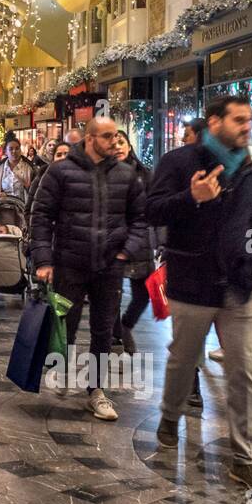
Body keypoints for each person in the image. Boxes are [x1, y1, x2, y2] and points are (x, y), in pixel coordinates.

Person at [147, 94, 252, 497]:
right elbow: (150, 211)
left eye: (249, 120)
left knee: (244, 371)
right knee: (184, 359)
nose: (246, 127)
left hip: (241, 287)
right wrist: (191, 198)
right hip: (192, 281)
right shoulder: (179, 162)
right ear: (214, 121)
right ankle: (170, 418)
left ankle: (247, 460)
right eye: (239, 119)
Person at [29, 116, 149, 421]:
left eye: (116, 137)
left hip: (110, 266)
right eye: (108, 137)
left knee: (104, 331)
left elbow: (140, 219)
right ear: (91, 138)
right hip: (69, 262)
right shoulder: (60, 172)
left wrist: (127, 251)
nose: (114, 142)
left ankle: (96, 391)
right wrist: (43, 260)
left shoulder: (125, 175)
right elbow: (41, 216)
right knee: (64, 325)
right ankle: (59, 367)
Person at [111, 130, 152, 355]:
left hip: (140, 240)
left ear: (129, 146)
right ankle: (116, 335)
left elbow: (153, 208)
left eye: (121, 142)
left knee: (143, 294)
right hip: (113, 241)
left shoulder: (145, 174)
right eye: (113, 142)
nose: (117, 146)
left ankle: (126, 326)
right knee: (112, 294)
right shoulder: (101, 173)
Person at [0, 137, 34, 205]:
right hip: (3, 208)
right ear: (6, 152)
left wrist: (28, 187)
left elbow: (38, 191)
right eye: (11, 149)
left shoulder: (30, 168)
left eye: (17, 148)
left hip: (24, 208)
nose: (14, 151)